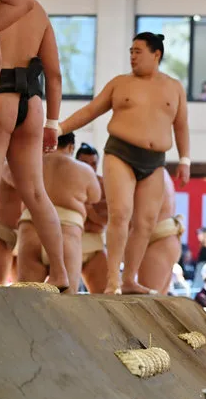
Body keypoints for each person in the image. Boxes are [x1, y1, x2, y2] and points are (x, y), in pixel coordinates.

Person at [57, 32, 190, 294]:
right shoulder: (120, 84)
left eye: (138, 51)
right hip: (121, 153)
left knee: (145, 222)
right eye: (130, 51)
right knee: (121, 214)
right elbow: (90, 110)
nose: (132, 56)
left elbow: (182, 126)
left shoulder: (174, 87)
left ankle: (129, 279)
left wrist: (185, 159)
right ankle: (113, 281)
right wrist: (58, 128)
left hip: (155, 160)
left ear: (156, 54)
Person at [0, 1, 69, 290]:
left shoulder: (0, 7)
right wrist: (53, 122)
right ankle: (61, 273)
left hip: (0, 95)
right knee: (37, 193)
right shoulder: (37, 10)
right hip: (33, 104)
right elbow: (55, 73)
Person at [17, 132, 101, 293]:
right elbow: (95, 197)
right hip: (67, 234)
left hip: (30, 230)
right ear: (71, 147)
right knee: (66, 302)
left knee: (25, 300)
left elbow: (9, 177)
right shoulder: (85, 170)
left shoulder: (30, 164)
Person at [137, 168, 184, 295]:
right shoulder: (160, 171)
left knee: (148, 305)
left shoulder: (150, 170)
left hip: (159, 239)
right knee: (155, 302)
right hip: (164, 238)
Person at [75, 142, 108, 293]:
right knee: (60, 297)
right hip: (69, 242)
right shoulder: (65, 180)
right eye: (84, 163)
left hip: (95, 245)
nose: (89, 167)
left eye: (93, 164)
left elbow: (105, 220)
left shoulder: (104, 185)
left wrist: (87, 209)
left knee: (104, 296)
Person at [0, 161, 21, 284]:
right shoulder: (6, 166)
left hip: (26, 234)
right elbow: (19, 183)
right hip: (4, 232)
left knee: (23, 291)